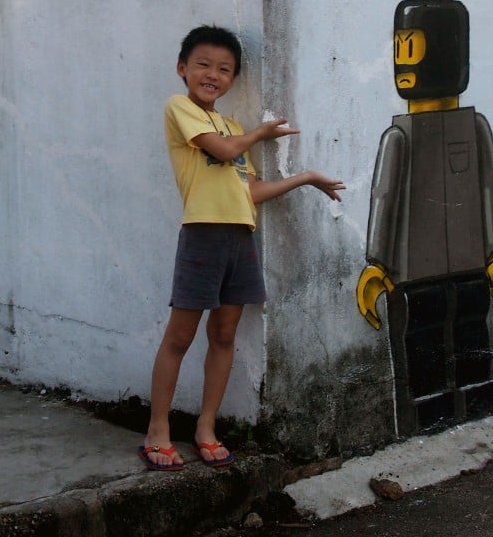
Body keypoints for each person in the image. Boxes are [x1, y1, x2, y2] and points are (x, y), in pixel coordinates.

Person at [139, 25, 345, 471]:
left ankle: (206, 428)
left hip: (239, 236)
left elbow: (249, 190)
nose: (213, 74)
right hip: (203, 234)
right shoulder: (181, 109)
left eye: (225, 69)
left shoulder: (232, 125)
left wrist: (306, 178)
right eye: (203, 65)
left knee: (225, 334)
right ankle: (157, 430)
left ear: (232, 78)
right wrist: (259, 135)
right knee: (180, 336)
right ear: (182, 69)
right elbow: (222, 148)